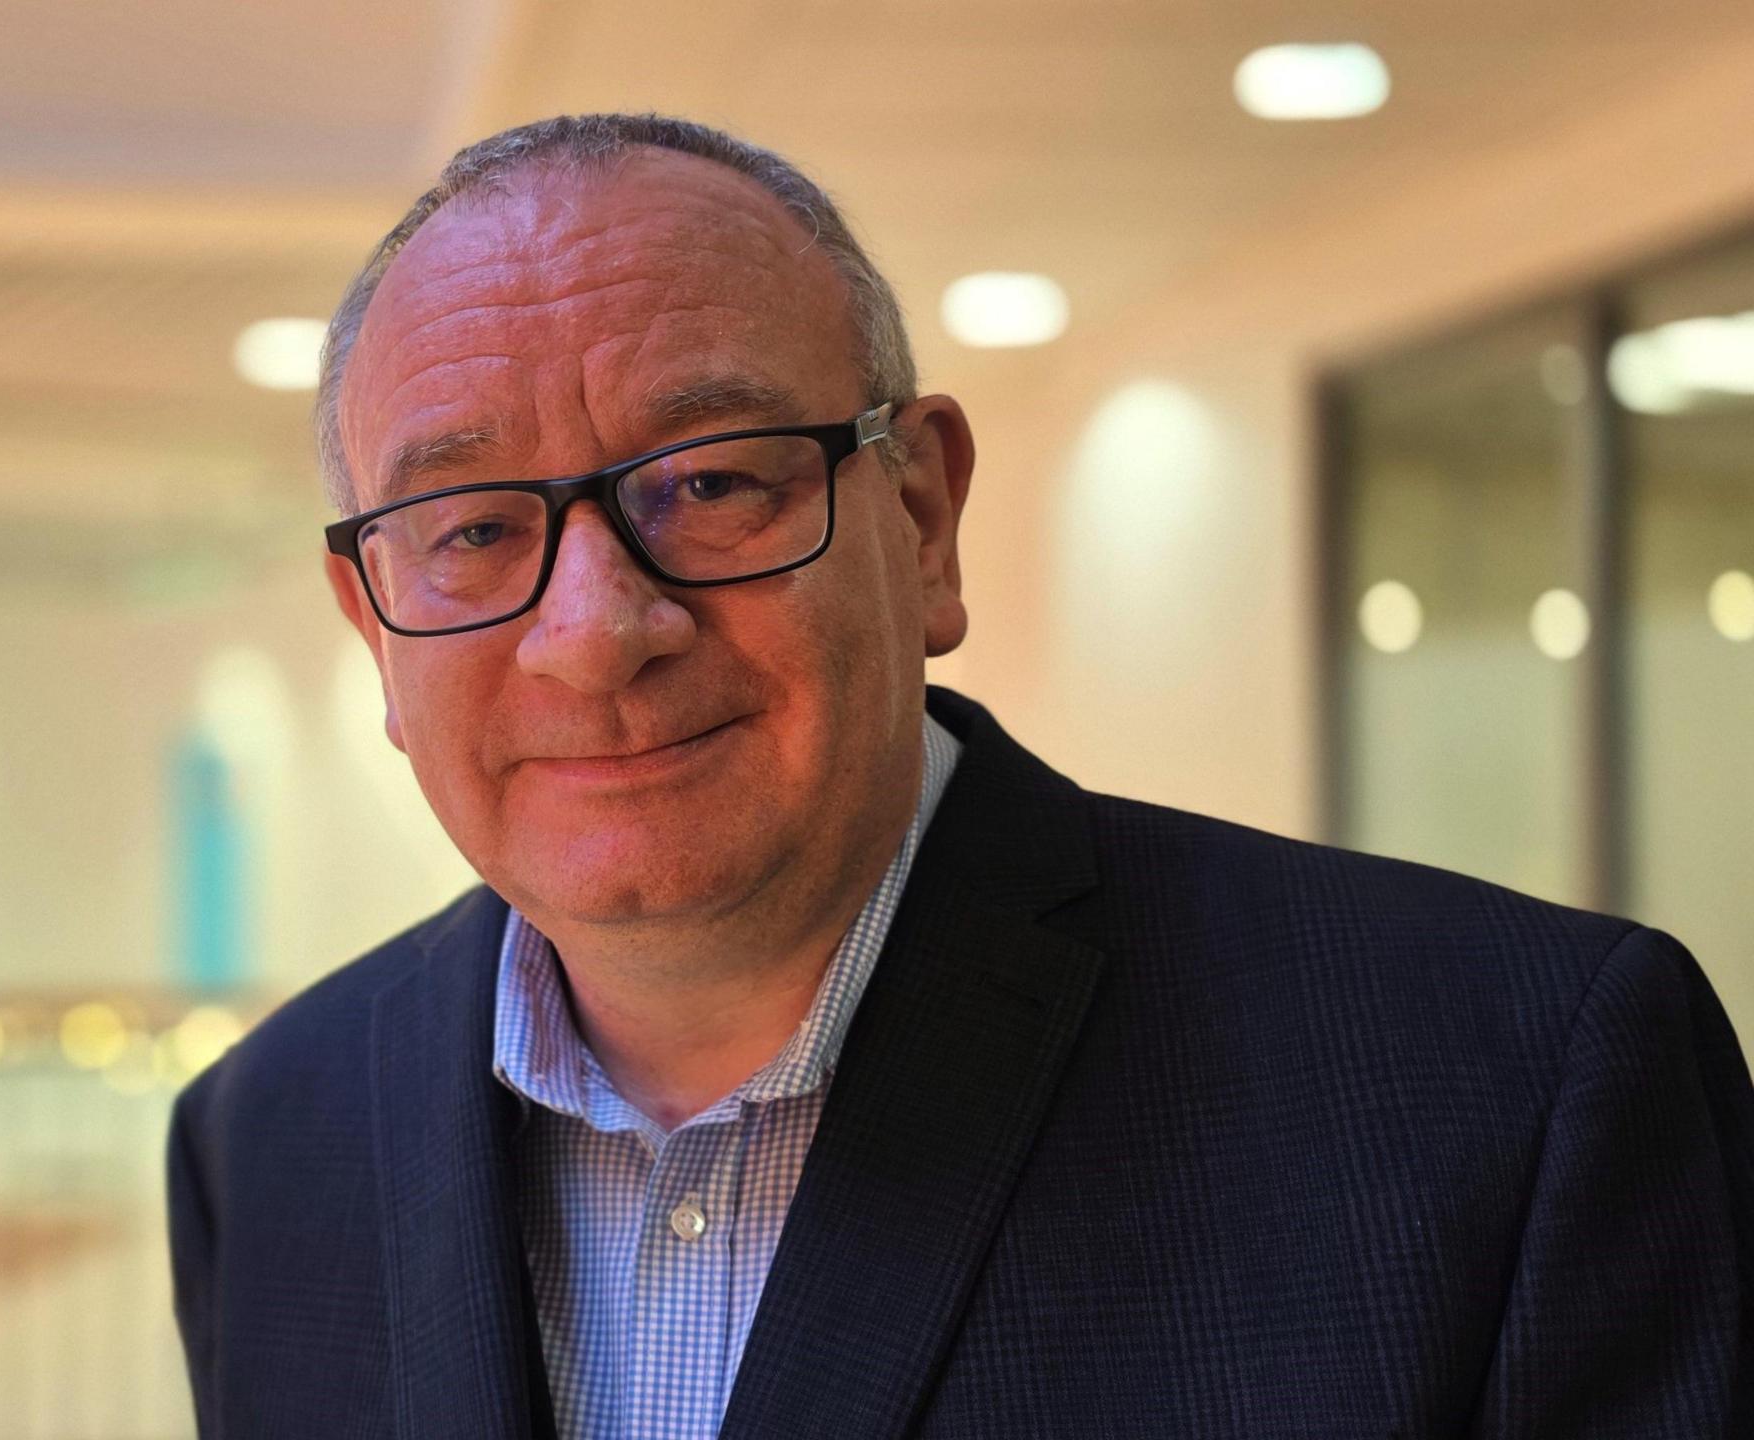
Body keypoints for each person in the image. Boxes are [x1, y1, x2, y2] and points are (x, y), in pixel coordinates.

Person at [164, 113, 1754, 1438]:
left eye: (712, 481)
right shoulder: (270, 1145)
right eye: (471, 531)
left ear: (921, 518)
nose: (596, 633)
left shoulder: (1510, 1090)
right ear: (374, 623)